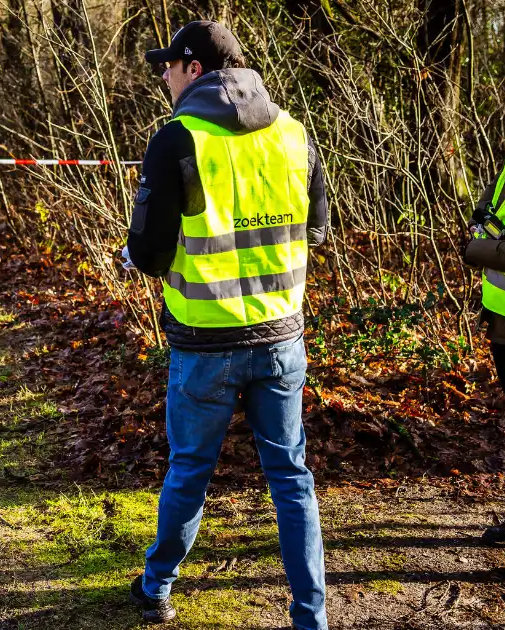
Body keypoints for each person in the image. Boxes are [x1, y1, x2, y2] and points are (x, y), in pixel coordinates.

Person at [123, 21, 330, 629]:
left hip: (204, 344)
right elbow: (315, 232)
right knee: (291, 477)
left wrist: (134, 254)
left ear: (194, 68)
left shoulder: (176, 140)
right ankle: (310, 619)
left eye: (167, 65)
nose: (162, 75)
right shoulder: (296, 136)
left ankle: (156, 587)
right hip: (280, 337)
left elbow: (151, 253)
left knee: (189, 469)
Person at [462, 158, 505, 547]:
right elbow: (483, 211)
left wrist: (479, 246)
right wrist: (482, 236)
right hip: (501, 319)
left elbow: (480, 241)